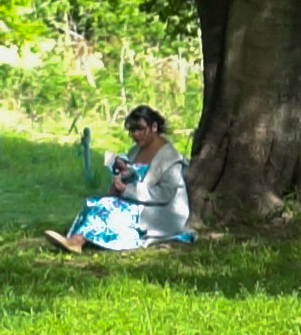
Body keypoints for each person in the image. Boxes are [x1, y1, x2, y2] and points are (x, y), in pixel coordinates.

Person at [44, 105, 193, 252]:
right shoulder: (136, 150)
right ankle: (77, 239)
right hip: (136, 202)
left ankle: (77, 241)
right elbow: (135, 177)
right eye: (132, 130)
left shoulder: (170, 158)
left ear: (154, 127)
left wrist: (127, 190)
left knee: (107, 207)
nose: (136, 134)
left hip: (160, 212)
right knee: (95, 202)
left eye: (141, 129)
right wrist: (123, 173)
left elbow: (165, 194)